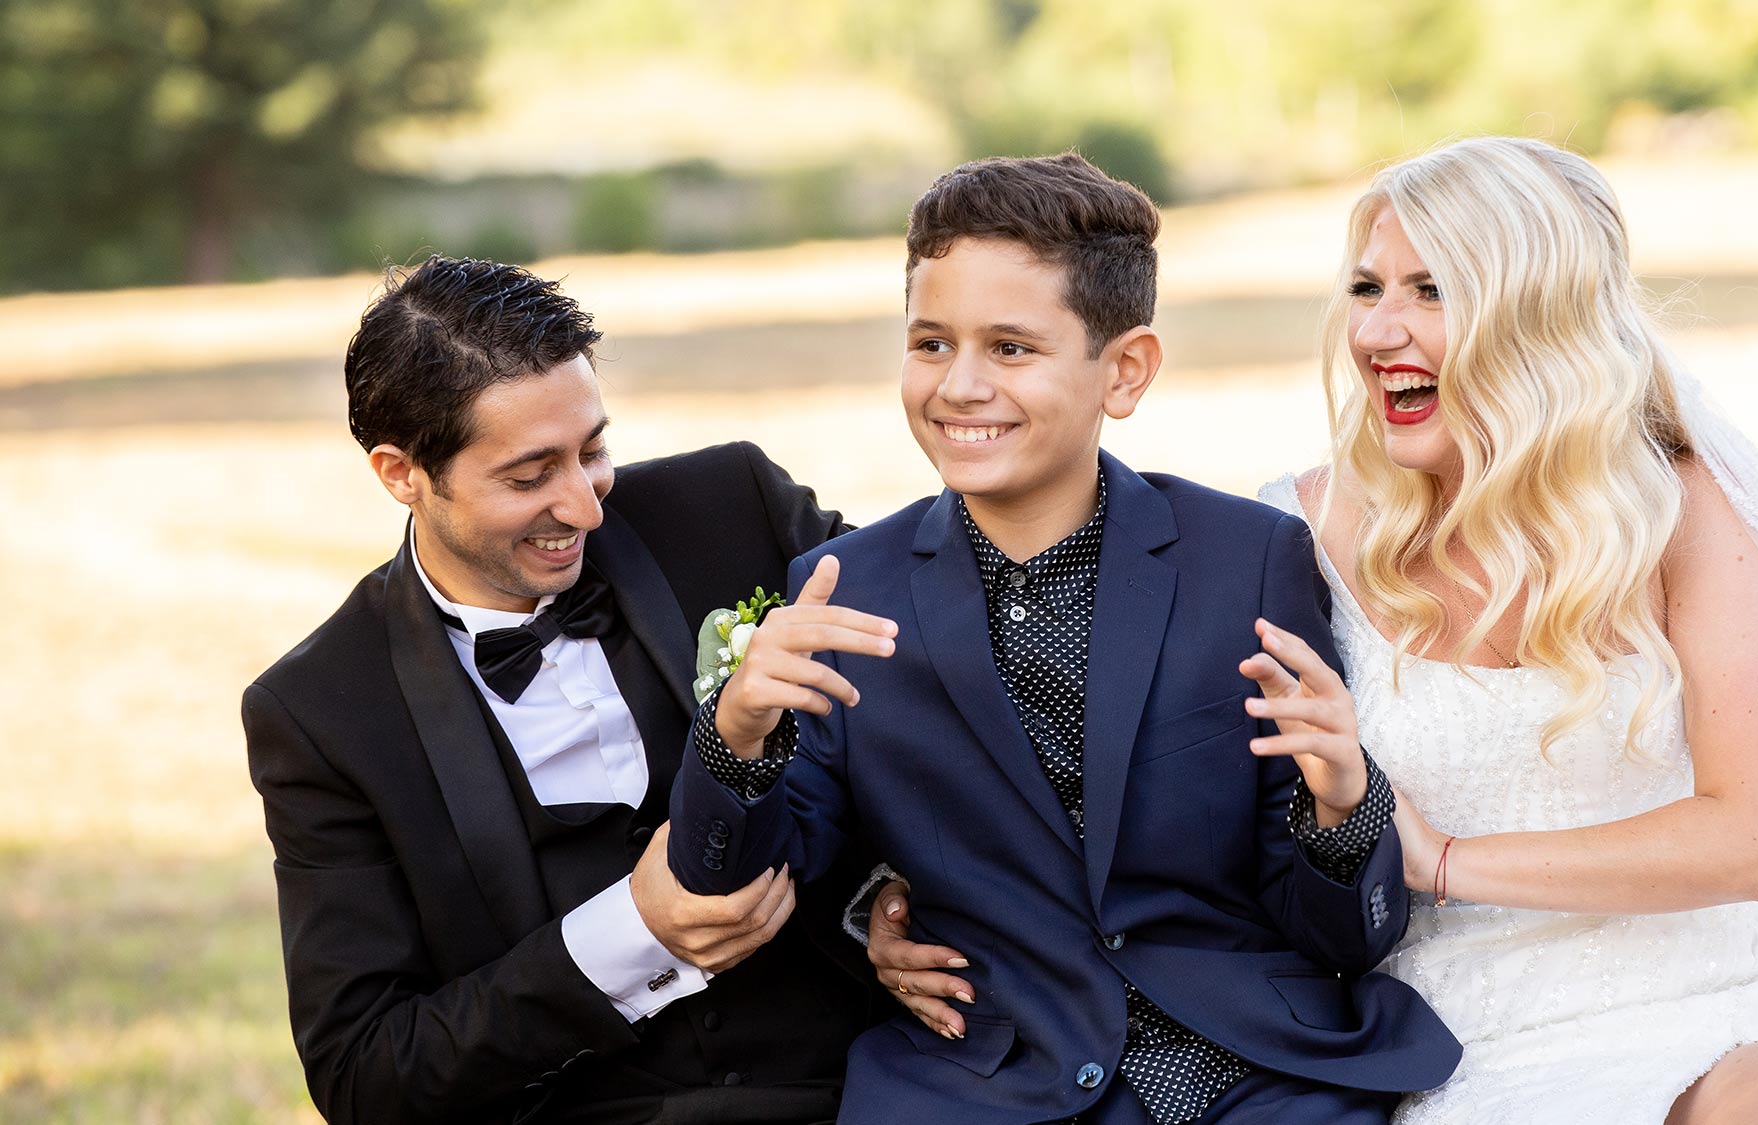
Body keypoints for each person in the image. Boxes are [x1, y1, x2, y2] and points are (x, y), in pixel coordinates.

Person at [665, 153, 1461, 1124]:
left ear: (1122, 371)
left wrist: (1342, 810)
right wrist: (737, 734)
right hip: (989, 1085)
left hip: (1260, 1074)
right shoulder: (847, 592)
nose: (959, 385)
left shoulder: (1246, 560)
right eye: (928, 343)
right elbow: (734, 881)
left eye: (1009, 348)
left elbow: (1336, 933)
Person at [1245, 136, 1758, 1122]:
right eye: (1365, 288)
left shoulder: (1682, 516)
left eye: (1429, 291)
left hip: (1720, 1008)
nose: (1376, 332)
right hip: (1459, 1042)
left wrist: (1442, 862)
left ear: (1532, 314)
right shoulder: (1293, 534)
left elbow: (1752, 840)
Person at [242, 256, 882, 1125]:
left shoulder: (732, 509)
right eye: (530, 474)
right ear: (400, 473)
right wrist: (630, 935)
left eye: (594, 449)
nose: (585, 507)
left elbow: (935, 688)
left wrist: (883, 896)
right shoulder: (321, 712)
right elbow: (368, 1076)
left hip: (864, 1090)